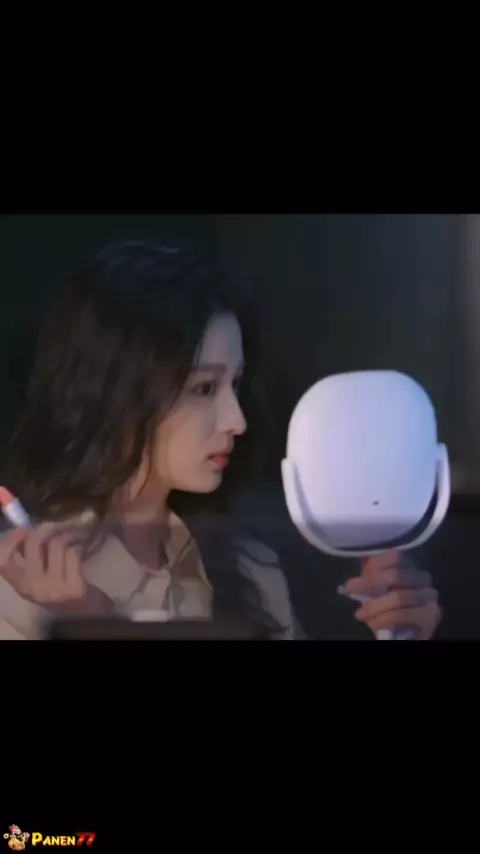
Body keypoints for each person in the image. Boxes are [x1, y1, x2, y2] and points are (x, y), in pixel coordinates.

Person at [0, 241, 441, 640]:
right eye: (205, 388)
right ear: (116, 391)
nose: (237, 421)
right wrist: (92, 620)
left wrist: (401, 636)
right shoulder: (23, 585)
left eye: (236, 384)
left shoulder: (252, 571)